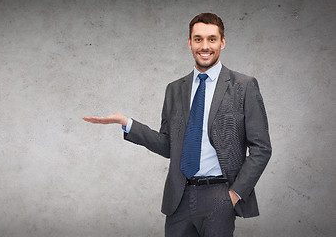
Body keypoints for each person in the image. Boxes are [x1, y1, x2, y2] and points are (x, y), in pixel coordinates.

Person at [83, 13, 272, 237]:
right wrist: (127, 123)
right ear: (190, 42)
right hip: (178, 198)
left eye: (212, 39)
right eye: (198, 39)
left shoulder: (244, 86)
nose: (205, 46)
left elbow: (262, 148)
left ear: (222, 42)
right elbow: (168, 146)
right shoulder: (174, 89)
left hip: (219, 196)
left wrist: (234, 195)